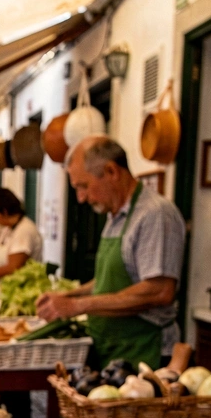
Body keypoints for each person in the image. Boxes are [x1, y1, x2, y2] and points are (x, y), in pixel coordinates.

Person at [37, 135, 185, 369]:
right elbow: (108, 281)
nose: (81, 198)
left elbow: (158, 291)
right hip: (112, 349)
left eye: (83, 186)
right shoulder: (114, 217)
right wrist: (70, 296)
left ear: (111, 172)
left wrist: (78, 307)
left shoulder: (155, 214)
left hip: (144, 353)